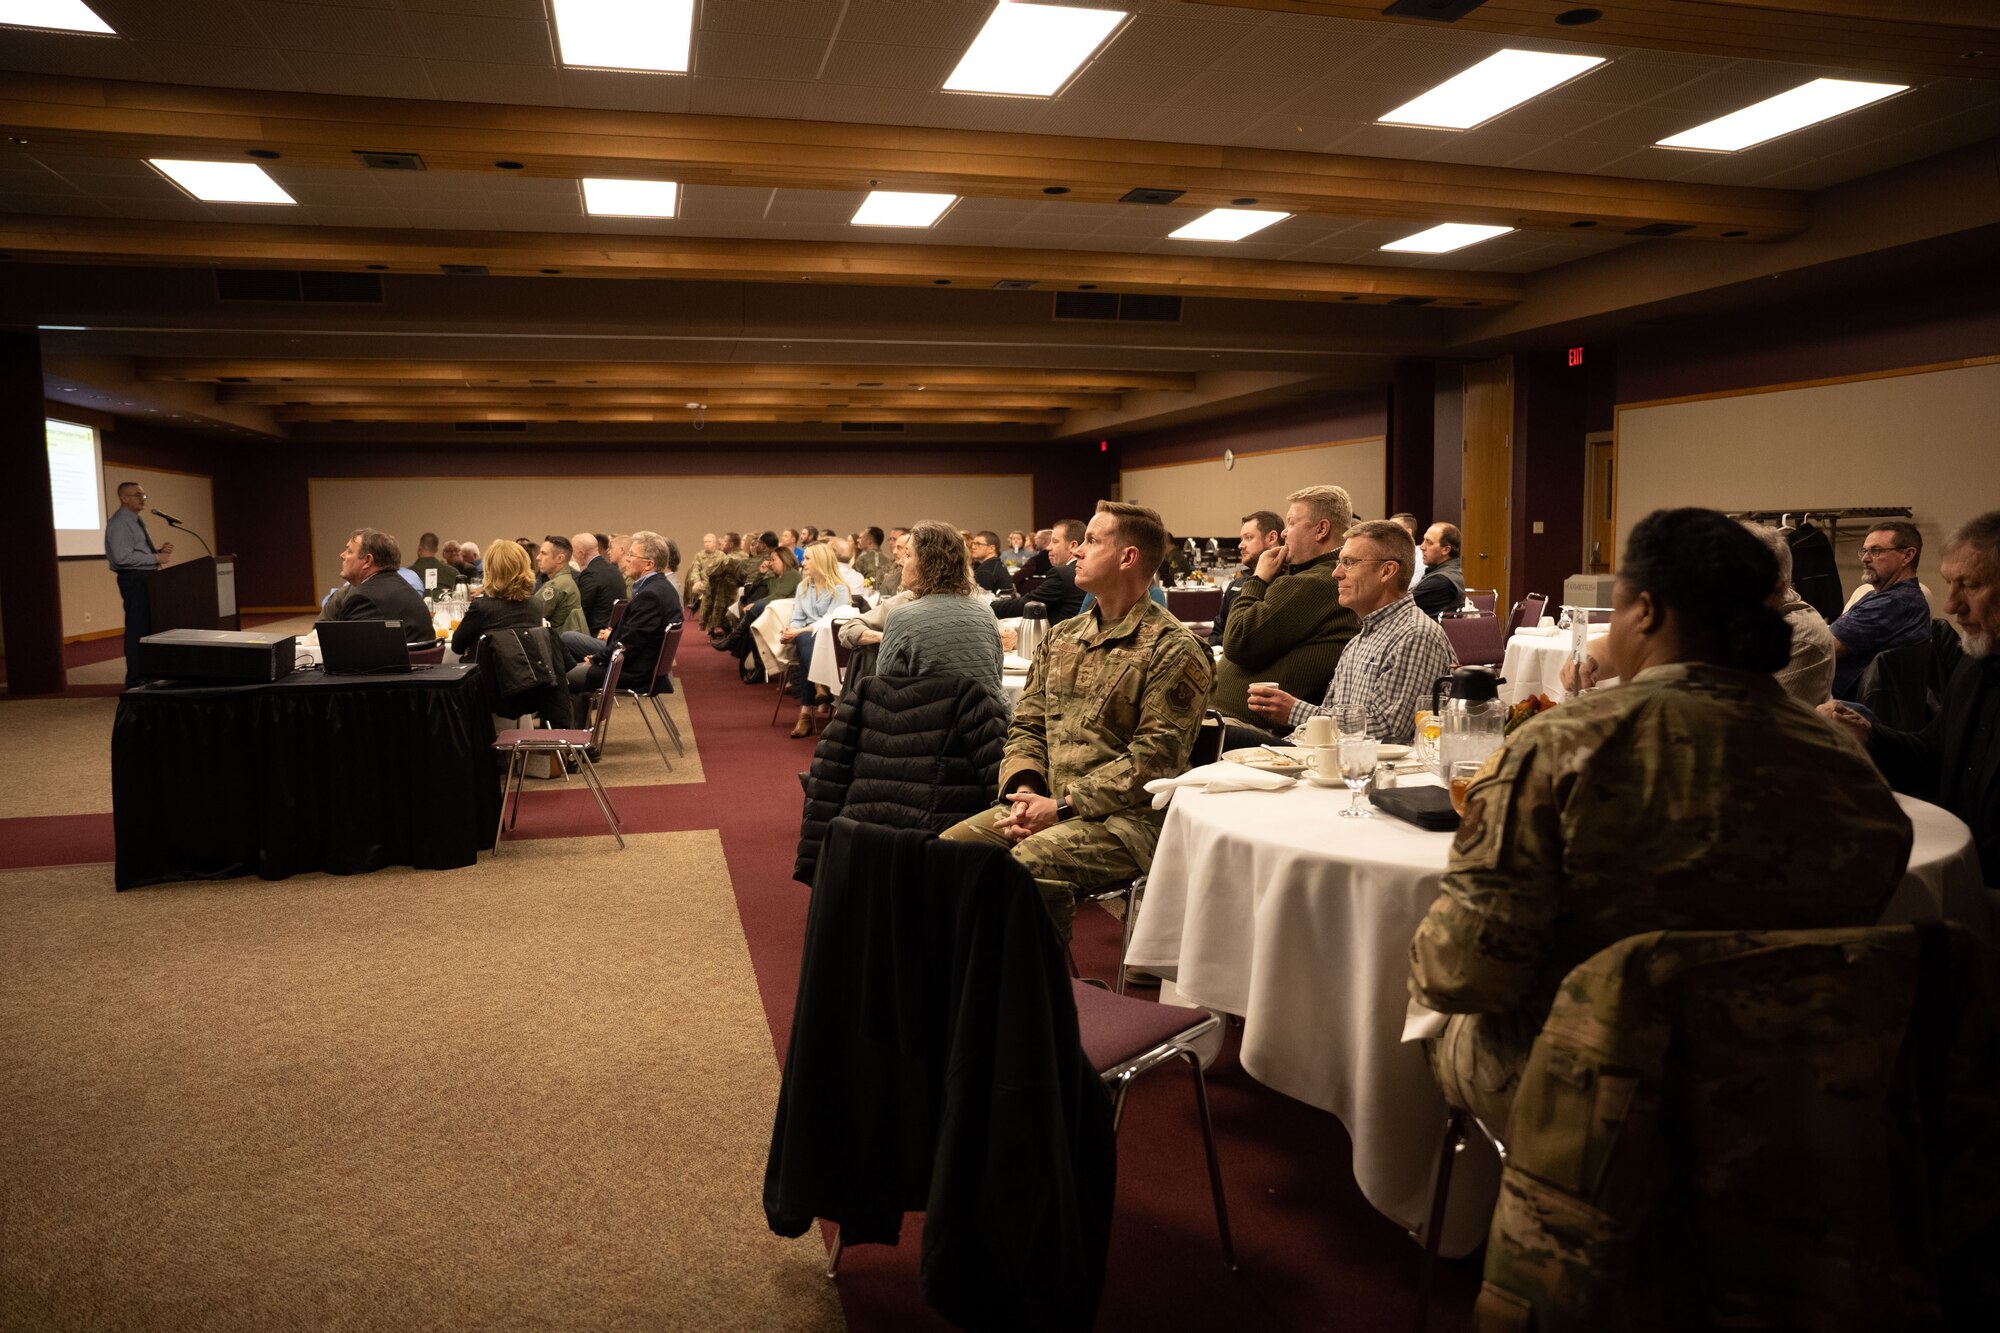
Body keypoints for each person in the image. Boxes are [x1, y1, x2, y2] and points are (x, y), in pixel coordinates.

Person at [1409, 507, 1914, 1132]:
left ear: (1643, 612)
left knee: (1424, 1015)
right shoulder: (1849, 765)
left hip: (1600, 1086)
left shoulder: (1560, 748)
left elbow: (1462, 974)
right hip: (1802, 1089)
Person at [941, 501, 1214, 939]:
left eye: (1091, 541)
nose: (1075, 550)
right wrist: (1025, 789)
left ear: (1127, 558)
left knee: (1022, 866)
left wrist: (1063, 807)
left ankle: (1037, 994)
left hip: (1126, 824)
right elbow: (1027, 725)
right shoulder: (1062, 637)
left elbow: (1155, 759)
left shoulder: (1173, 648)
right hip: (1046, 804)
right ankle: (971, 983)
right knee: (946, 854)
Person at [1823, 510, 1999, 887]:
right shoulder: (1975, 667)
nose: (1951, 606)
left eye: (1971, 585)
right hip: (1971, 871)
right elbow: (1932, 754)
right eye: (1951, 584)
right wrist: (1866, 734)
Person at [1242, 519, 1454, 745]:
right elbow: (1332, 718)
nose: (1336, 573)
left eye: (1349, 562)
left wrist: (1295, 711)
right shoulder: (1359, 642)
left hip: (1383, 774)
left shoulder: (1416, 635)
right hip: (1334, 762)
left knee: (1226, 739)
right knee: (1227, 740)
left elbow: (1390, 733)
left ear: (1387, 571)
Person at [1210, 484, 1359, 726]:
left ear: (1321, 529)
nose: (1284, 533)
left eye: (1291, 523)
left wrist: (1257, 579)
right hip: (1233, 723)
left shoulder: (1315, 582)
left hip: (1240, 729)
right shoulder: (1318, 577)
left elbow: (1238, 640)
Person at [878, 522, 1006, 709]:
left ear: (927, 563)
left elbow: (885, 689)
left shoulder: (901, 617)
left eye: (908, 555)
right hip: (989, 729)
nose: (901, 562)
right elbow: (997, 677)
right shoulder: (985, 612)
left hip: (927, 729)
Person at [452, 539, 574, 727]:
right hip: (532, 689)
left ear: (490, 571)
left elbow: (457, 646)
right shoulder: (535, 605)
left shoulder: (482, 608)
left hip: (491, 693)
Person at [569, 530, 680, 696]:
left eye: (632, 555)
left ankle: (569, 722)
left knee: (563, 678)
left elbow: (628, 645)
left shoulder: (651, 595)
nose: (627, 559)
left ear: (649, 564)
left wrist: (596, 658)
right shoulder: (660, 587)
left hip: (634, 673)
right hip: (638, 667)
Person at [1829, 520, 1931, 698]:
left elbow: (1821, 649)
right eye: (1864, 551)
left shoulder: (1894, 603)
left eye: (1875, 551)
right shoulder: (1879, 596)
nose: (1865, 559)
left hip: (1840, 704)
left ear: (1907, 556)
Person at [105, 480, 173, 687]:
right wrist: (154, 559)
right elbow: (120, 557)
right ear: (124, 498)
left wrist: (158, 553)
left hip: (145, 577)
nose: (143, 498)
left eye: (144, 494)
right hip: (134, 579)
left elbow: (135, 551)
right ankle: (135, 680)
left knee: (149, 628)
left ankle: (149, 674)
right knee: (137, 629)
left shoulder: (135, 520)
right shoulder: (119, 523)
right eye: (138, 495)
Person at [782, 543, 853, 737]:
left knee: (805, 639)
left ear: (821, 561)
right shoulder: (802, 586)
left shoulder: (840, 589)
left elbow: (830, 621)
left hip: (830, 641)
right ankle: (819, 685)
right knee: (805, 640)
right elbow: (796, 616)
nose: (802, 562)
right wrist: (790, 630)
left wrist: (800, 631)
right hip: (807, 640)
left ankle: (805, 713)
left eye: (807, 559)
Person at [329, 528, 436, 644]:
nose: (342, 555)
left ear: (368, 560)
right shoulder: (407, 590)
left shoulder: (362, 599)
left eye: (349, 551)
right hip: (418, 661)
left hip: (396, 662)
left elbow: (347, 653)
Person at [990, 518, 1087, 620]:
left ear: (1072, 545)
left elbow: (1028, 605)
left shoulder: (1062, 574)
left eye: (1054, 542)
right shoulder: (1085, 571)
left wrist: (987, 605)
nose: (1048, 548)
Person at [1210, 510, 1281, 648]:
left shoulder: (1289, 582)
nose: (1240, 545)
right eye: (1241, 539)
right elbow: (1215, 634)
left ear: (1271, 538)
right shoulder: (1236, 585)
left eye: (1248, 538)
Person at [839, 530, 917, 649]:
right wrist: (884, 637)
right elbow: (848, 630)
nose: (896, 553)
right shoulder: (891, 580)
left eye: (906, 553)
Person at [570, 532, 623, 637]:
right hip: (613, 631)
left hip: (596, 634)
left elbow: (581, 611)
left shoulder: (590, 574)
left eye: (573, 552)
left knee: (566, 637)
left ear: (581, 553)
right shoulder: (614, 570)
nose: (573, 556)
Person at [534, 535, 588, 637]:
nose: (538, 558)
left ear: (559, 558)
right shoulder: (567, 581)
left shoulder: (555, 586)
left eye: (544, 554)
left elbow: (531, 616)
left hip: (556, 644)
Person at [1411, 522, 1466, 620]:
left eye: (1429, 542)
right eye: (1424, 540)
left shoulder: (1441, 580)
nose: (1422, 547)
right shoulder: (1447, 572)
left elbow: (1399, 606)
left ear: (1445, 550)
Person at [968, 530, 1012, 596]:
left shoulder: (986, 571)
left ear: (991, 548)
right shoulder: (996, 564)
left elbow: (980, 600)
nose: (973, 547)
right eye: (973, 544)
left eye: (978, 544)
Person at [1391, 512, 1427, 585]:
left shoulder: (1421, 558)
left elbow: (1409, 588)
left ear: (1408, 532)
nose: (1388, 533)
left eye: (1393, 529)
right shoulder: (1389, 555)